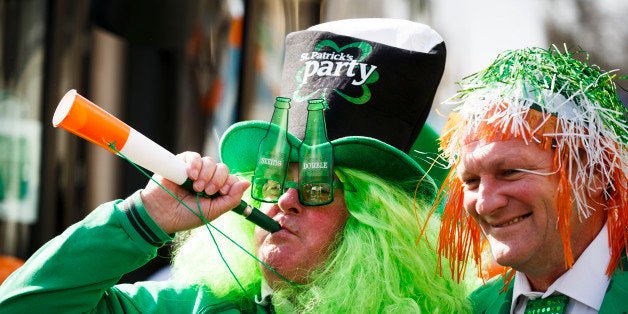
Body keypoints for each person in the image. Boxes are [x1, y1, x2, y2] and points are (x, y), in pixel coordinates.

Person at [0, 19, 473, 312]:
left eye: (315, 185)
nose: (284, 200)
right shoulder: (198, 308)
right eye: (273, 178)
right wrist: (145, 218)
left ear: (380, 221)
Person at [429, 46, 627, 313]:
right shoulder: (470, 308)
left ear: (593, 173)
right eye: (472, 181)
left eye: (509, 172)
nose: (486, 205)